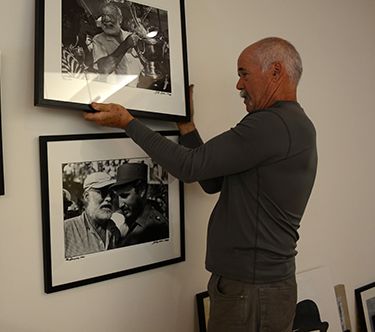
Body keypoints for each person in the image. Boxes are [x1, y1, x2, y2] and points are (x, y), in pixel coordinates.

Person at [83, 37, 318, 332]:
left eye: (244, 74)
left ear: (275, 72)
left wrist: (127, 122)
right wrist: (187, 127)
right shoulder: (290, 123)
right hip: (254, 287)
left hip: (252, 290)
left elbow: (189, 167)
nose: (239, 85)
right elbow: (210, 180)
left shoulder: (272, 123)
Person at [64, 172, 121, 257]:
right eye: (103, 192)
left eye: (112, 194)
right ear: (87, 197)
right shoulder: (67, 229)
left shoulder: (115, 232)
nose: (109, 198)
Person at [111, 162, 169, 246]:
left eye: (125, 196)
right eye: (118, 197)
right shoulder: (132, 219)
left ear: (141, 190)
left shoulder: (155, 228)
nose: (120, 205)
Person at [91, 2, 145, 87]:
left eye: (110, 16)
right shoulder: (98, 40)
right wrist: (125, 45)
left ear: (119, 19)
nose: (106, 20)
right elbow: (104, 69)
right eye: (103, 16)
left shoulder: (130, 35)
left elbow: (145, 61)